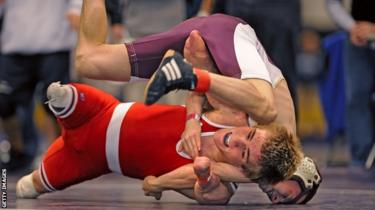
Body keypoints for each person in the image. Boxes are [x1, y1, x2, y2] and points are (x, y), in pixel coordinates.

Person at [75, 0, 321, 204]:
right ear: (296, 168)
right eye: (286, 193)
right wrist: (158, 183)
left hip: (198, 47)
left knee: (89, 61)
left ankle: (187, 73)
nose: (276, 198)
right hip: (229, 36)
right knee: (265, 108)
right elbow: (232, 169)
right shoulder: (277, 142)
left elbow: (203, 95)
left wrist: (192, 120)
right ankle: (189, 74)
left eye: (281, 201)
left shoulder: (249, 159)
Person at [16, 82, 302, 204]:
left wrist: (162, 183)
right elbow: (200, 81)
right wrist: (193, 118)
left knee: (26, 189)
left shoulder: (221, 189)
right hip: (104, 111)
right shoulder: (234, 114)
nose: (237, 140)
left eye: (243, 156)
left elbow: (201, 183)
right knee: (62, 95)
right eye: (249, 135)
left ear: (245, 172)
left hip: (91, 160)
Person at [0, 0, 81, 171]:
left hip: (54, 43)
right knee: (4, 101)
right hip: (14, 42)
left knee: (55, 102)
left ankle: (58, 154)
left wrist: (77, 9)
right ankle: (18, 152)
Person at [326, 0, 375, 169]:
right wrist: (352, 27)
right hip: (358, 39)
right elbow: (333, 3)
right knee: (356, 97)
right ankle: (360, 159)